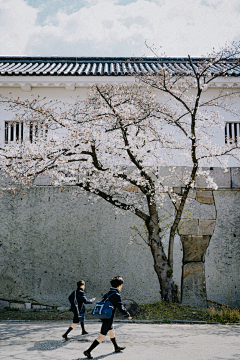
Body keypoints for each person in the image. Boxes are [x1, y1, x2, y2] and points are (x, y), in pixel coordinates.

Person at [83, 276, 132, 359]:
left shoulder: (108, 293)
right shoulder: (116, 294)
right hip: (108, 318)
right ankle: (88, 351)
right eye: (122, 285)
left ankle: (116, 347)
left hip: (104, 316)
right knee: (102, 336)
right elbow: (120, 307)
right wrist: (127, 315)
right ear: (119, 285)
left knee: (111, 331)